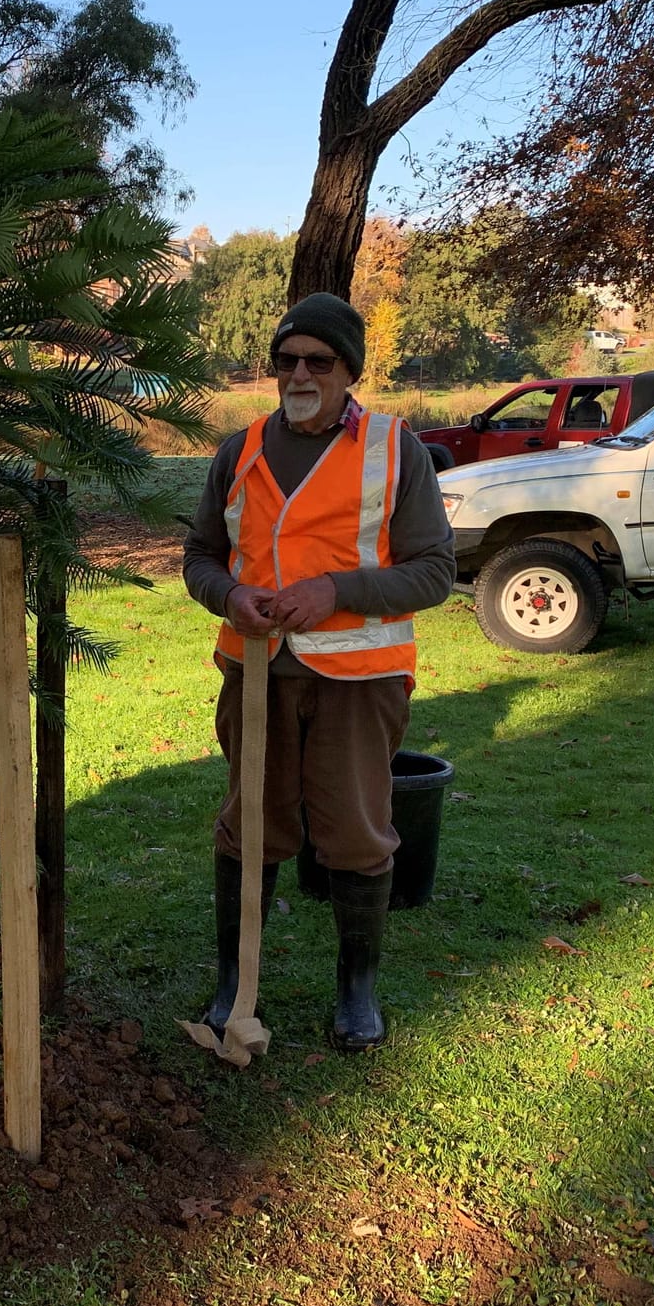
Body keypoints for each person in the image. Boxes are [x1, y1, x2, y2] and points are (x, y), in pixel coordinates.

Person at [182, 293, 455, 1051]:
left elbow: (435, 571)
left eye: (319, 361)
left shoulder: (395, 450)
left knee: (356, 834)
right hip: (255, 674)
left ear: (348, 371)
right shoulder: (237, 451)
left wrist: (335, 591)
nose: (300, 373)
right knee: (249, 824)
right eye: (287, 360)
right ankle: (237, 983)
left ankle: (357, 993)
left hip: (358, 683)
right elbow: (199, 557)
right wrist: (230, 596)